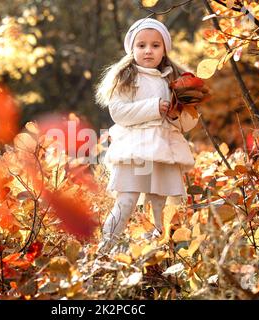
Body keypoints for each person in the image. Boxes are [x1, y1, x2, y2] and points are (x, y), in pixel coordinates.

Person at [95, 17, 204, 248]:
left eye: (155, 45)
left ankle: (154, 254)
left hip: (163, 150)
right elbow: (119, 112)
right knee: (127, 201)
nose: (148, 51)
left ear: (164, 49)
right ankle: (105, 248)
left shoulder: (175, 79)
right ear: (132, 48)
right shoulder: (127, 77)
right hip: (135, 149)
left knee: (159, 206)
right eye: (141, 45)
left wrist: (175, 116)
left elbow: (189, 122)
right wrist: (154, 107)